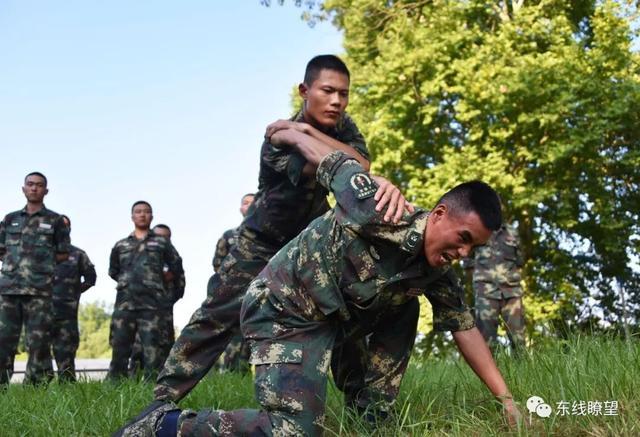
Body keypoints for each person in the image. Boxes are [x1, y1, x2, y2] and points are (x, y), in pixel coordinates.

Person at [116, 149, 521, 436]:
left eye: (474, 249)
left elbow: (464, 328)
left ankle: (372, 421)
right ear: (439, 214)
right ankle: (163, 425)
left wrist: (505, 398)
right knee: (293, 432)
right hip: (283, 310)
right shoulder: (379, 207)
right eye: (463, 238)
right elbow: (333, 163)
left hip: (337, 320)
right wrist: (303, 139)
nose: (463, 253)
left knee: (405, 305)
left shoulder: (437, 271)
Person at [151, 54, 410, 406]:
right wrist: (301, 134)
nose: (337, 102)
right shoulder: (277, 138)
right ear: (305, 91)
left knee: (342, 313)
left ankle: (364, 410)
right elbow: (326, 165)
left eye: (344, 94)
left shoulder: (335, 127)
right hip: (261, 242)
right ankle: (161, 400)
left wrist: (305, 130)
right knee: (217, 316)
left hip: (310, 247)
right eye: (328, 91)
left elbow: (361, 164)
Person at [0, 172, 70, 385]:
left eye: (39, 185)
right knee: (3, 340)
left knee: (38, 342)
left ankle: (34, 387)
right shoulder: (10, 219)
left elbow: (63, 252)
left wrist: (41, 264)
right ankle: (1, 385)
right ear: (24, 189)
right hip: (9, 290)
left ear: (45, 191)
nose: (34, 188)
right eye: (30, 184)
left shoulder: (55, 220)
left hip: (39, 290)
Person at [107, 201, 184, 380]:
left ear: (151, 216)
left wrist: (165, 293)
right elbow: (114, 271)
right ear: (132, 216)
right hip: (125, 304)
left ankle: (153, 393)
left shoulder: (161, 243)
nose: (142, 215)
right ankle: (115, 387)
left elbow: (176, 267)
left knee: (153, 352)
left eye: (146, 212)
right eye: (138, 212)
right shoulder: (121, 245)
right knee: (119, 348)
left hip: (152, 306)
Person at [128, 224, 185, 376]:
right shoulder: (144, 258)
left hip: (165, 312)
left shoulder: (174, 260)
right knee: (138, 347)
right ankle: (133, 379)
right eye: (158, 235)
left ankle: (161, 380)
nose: (161, 239)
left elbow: (180, 286)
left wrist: (165, 300)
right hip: (142, 310)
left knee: (164, 346)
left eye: (165, 236)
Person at [51, 214, 97, 382]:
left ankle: (67, 388)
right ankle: (35, 388)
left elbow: (91, 278)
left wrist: (73, 293)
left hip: (66, 314)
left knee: (66, 353)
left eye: (65, 226)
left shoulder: (78, 254)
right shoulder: (38, 253)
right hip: (38, 312)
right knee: (37, 353)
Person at [465, 222, 525, 351]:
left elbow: (519, 262)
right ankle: (487, 370)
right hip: (485, 292)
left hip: (512, 292)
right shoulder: (477, 230)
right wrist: (480, 284)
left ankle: (522, 368)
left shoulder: (512, 232)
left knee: (518, 338)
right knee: (486, 339)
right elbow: (468, 262)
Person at [213, 193, 255, 373]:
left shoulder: (272, 235)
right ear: (240, 208)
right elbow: (218, 264)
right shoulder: (229, 236)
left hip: (262, 294)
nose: (250, 206)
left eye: (254, 202)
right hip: (234, 296)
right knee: (233, 337)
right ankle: (232, 376)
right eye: (245, 203)